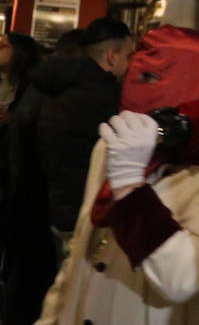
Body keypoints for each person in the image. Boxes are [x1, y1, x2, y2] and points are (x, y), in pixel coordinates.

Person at [37, 25, 199, 325]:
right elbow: (82, 250)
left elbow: (182, 278)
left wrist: (131, 186)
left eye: (153, 77)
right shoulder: (110, 147)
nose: (137, 89)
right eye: (135, 74)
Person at [32, 16, 133, 248]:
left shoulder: (61, 84)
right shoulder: (104, 95)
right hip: (84, 212)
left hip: (58, 205)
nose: (132, 64)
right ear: (112, 56)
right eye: (129, 55)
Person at [0, 33, 41, 313]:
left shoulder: (32, 87)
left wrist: (12, 121)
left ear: (19, 53)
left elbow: (34, 132)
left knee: (1, 235)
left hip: (10, 176)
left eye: (2, 45)